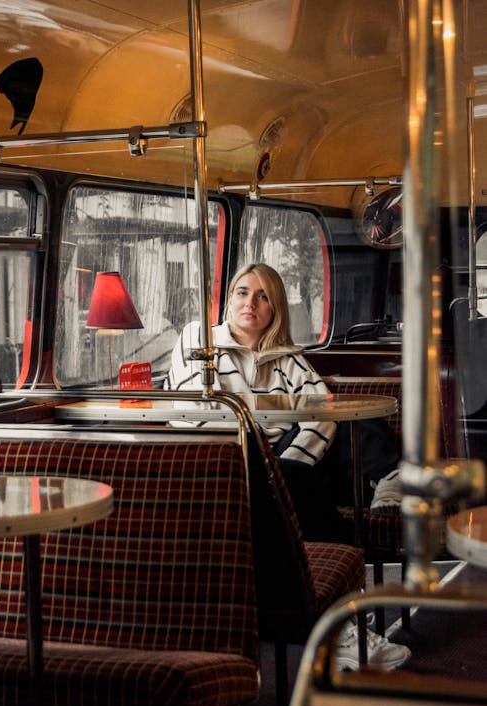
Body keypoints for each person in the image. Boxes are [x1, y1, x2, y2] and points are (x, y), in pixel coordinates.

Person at [165, 262, 410, 670]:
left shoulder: (286, 358)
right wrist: (267, 459)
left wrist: (289, 463)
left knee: (342, 419)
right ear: (228, 300)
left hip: (284, 462)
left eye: (264, 296)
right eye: (243, 292)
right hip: (225, 462)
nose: (251, 302)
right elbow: (195, 413)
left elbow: (321, 409)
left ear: (275, 308)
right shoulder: (198, 340)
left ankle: (339, 613)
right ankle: (340, 622)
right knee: (300, 486)